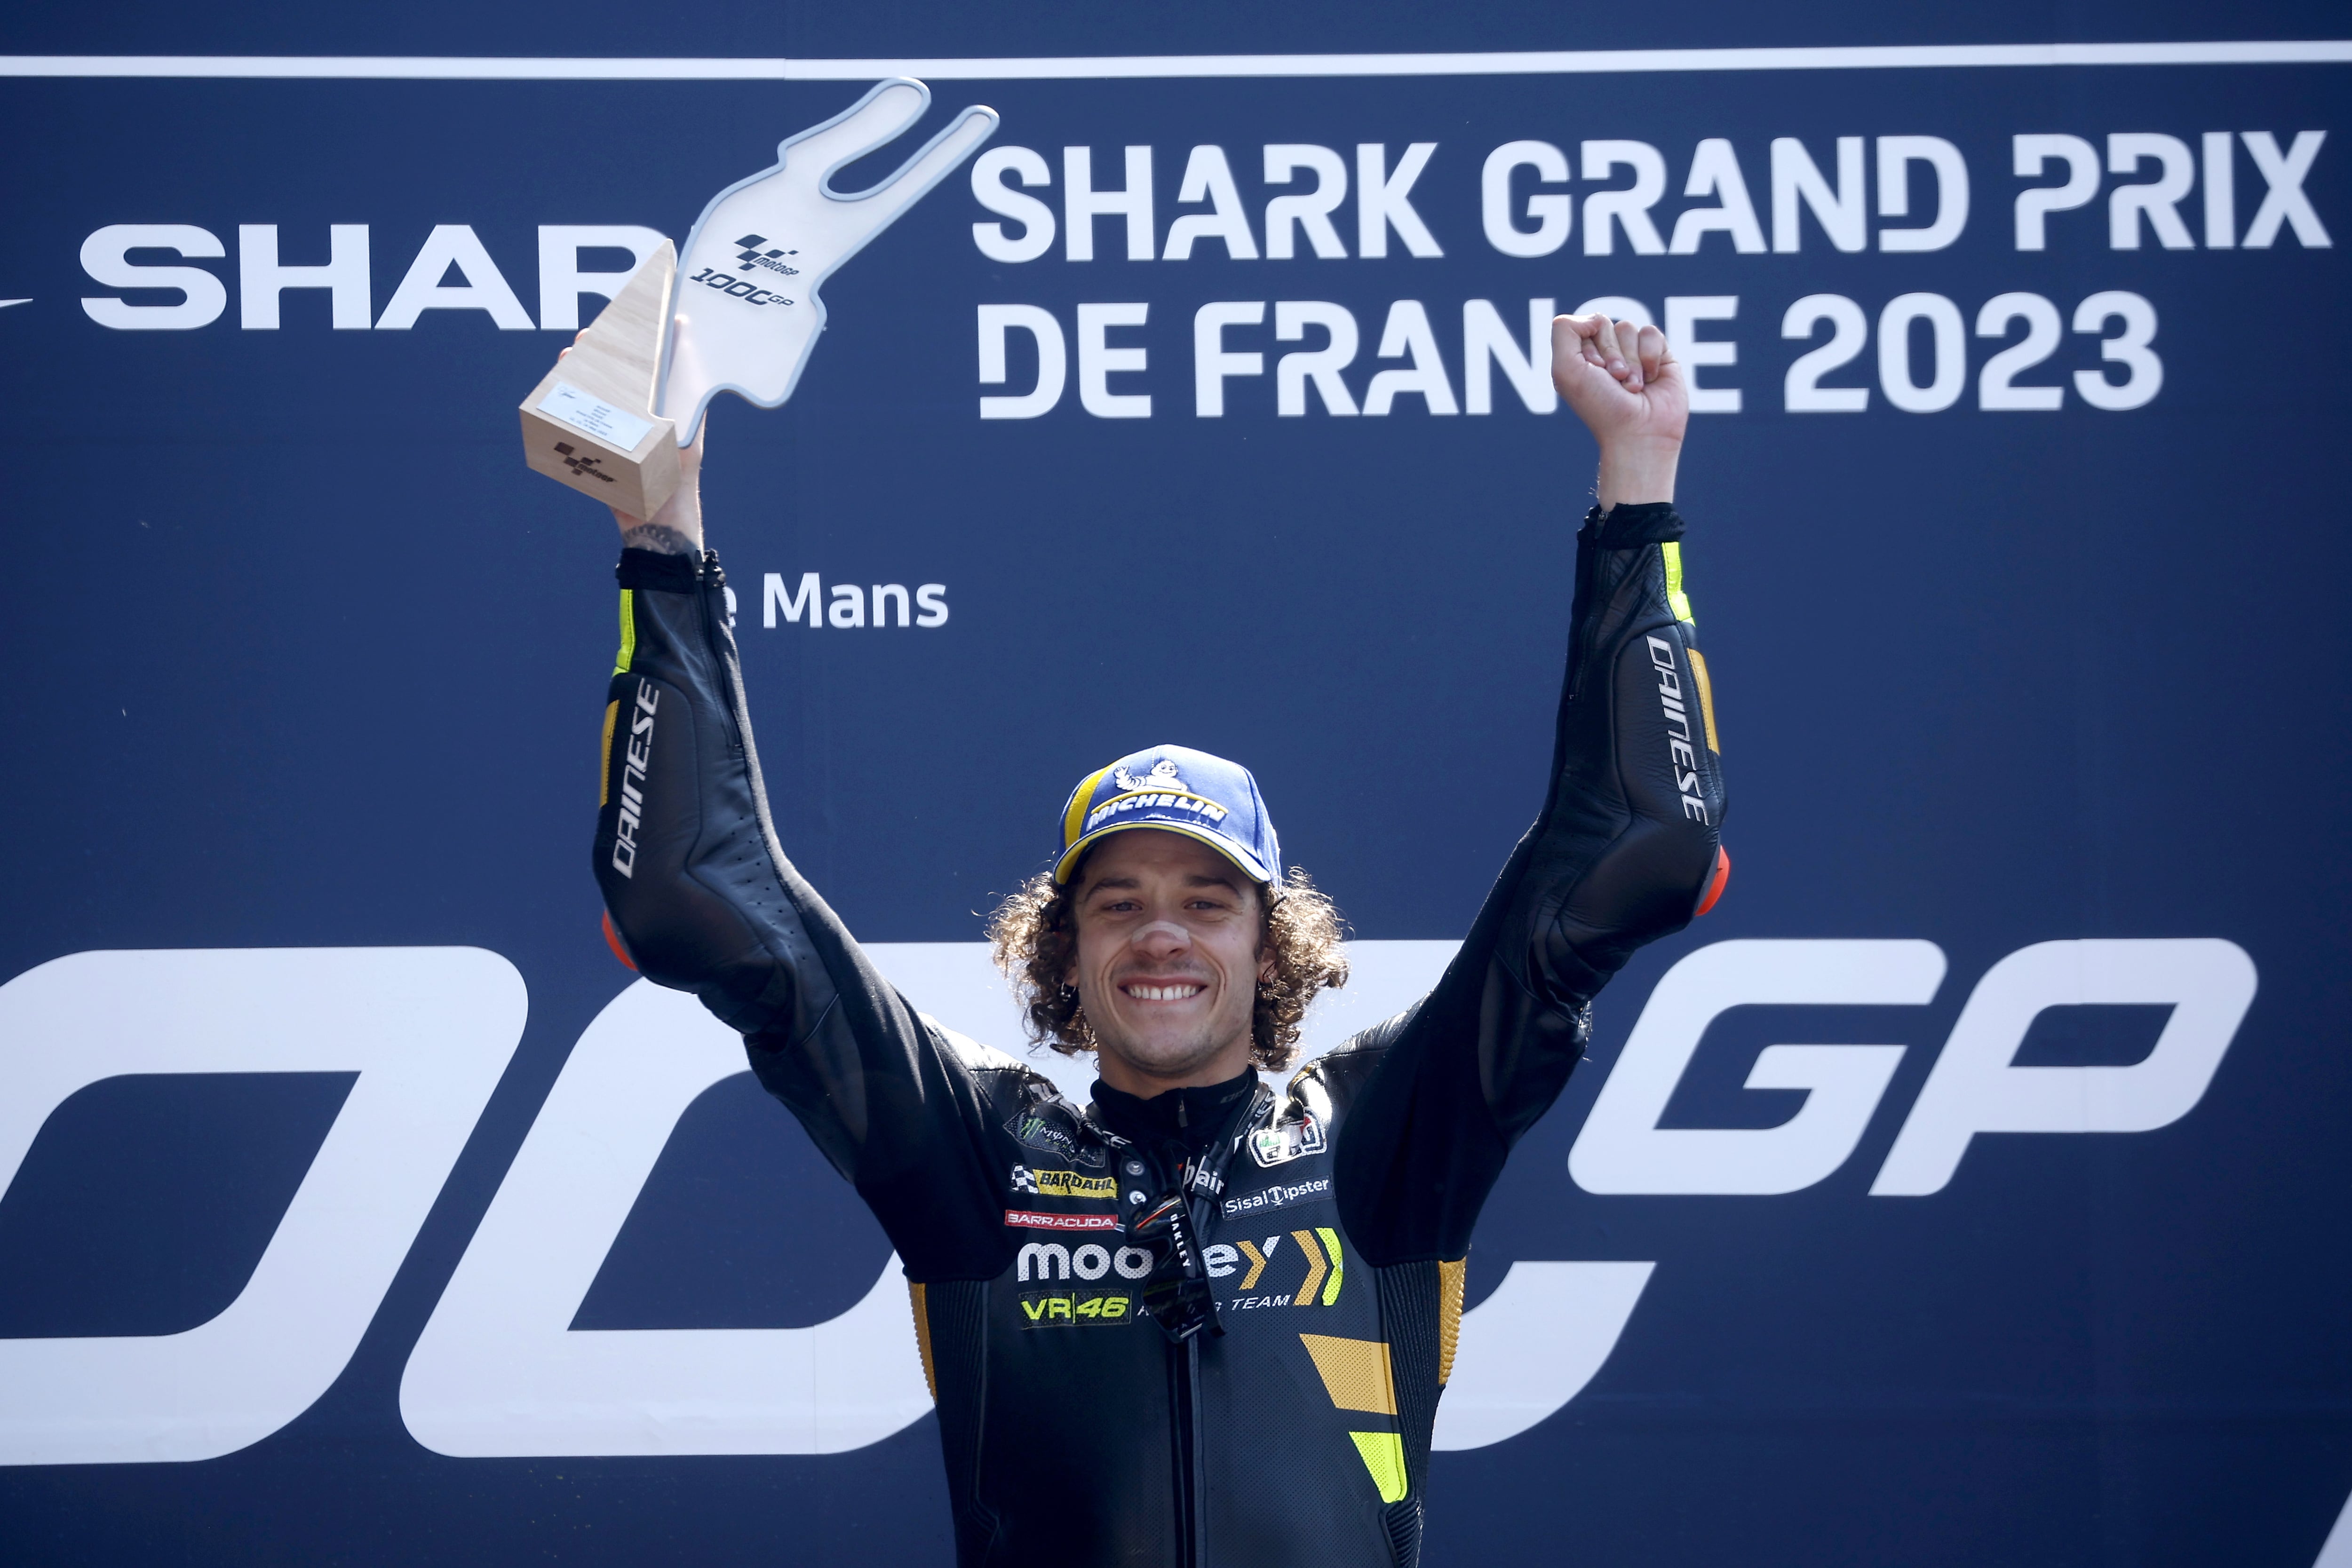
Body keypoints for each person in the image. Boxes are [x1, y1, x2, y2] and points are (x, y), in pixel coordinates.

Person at [588, 312, 1728, 1567]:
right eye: (1117, 902)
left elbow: (1638, 847)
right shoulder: (983, 1156)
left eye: (1206, 898)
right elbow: (691, 888)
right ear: (1064, 949)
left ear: (1271, 941)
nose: (1161, 935)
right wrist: (663, 521)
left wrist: (1639, 477)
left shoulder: (1386, 1133)